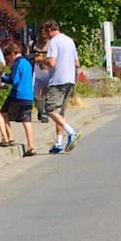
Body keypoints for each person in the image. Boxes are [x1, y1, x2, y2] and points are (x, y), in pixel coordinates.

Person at [37, 21, 80, 154]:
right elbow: (77, 63)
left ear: (50, 29)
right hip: (69, 80)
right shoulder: (69, 41)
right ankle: (58, 143)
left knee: (49, 109)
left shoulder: (54, 41)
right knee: (59, 112)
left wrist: (41, 61)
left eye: (46, 32)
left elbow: (51, 62)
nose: (46, 36)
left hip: (58, 80)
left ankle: (71, 132)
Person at [1, 41, 39, 156]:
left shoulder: (18, 63)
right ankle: (31, 146)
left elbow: (14, 80)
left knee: (3, 113)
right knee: (26, 120)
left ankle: (9, 137)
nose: (9, 61)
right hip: (28, 96)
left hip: (18, 95)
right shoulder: (27, 63)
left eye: (8, 58)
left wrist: (3, 78)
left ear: (12, 54)